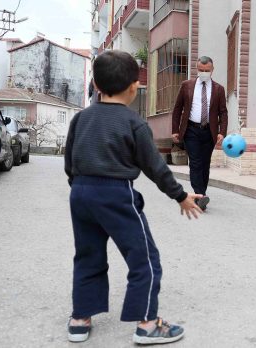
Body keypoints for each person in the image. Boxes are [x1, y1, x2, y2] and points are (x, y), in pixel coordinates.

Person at [64, 50, 202, 344]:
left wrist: (79, 187)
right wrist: (180, 196)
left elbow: (69, 161)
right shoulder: (133, 123)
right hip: (116, 194)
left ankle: (80, 319)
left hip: (81, 193)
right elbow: (155, 167)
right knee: (145, 259)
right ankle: (148, 324)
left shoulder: (80, 119)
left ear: (97, 86)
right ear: (133, 87)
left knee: (87, 255)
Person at [171, 56, 229, 211]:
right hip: (191, 130)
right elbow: (177, 109)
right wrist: (175, 130)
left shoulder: (219, 89)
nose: (204, 73)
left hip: (209, 131)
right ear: (197, 69)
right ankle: (200, 196)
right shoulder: (186, 86)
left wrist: (222, 132)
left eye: (207, 70)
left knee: (205, 164)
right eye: (201, 70)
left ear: (212, 70)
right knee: (195, 163)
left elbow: (223, 113)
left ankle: (201, 194)